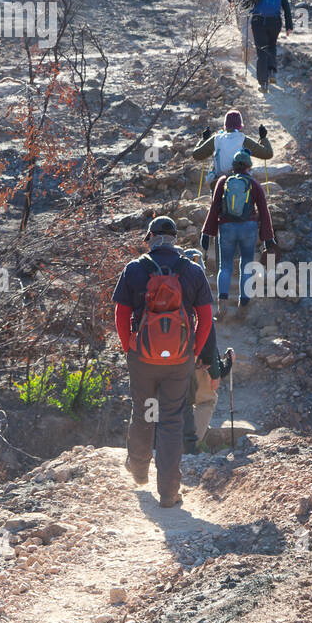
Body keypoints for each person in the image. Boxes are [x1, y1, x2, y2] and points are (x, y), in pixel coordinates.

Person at [112, 215, 214, 506]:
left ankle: (140, 470)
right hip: (179, 359)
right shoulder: (192, 270)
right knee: (171, 420)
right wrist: (193, 350)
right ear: (174, 240)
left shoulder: (135, 268)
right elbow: (205, 317)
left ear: (151, 238)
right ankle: (169, 492)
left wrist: (128, 345)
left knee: (144, 411)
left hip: (141, 356)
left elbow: (121, 314)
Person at [201, 150, 276, 317]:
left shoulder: (223, 181)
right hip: (248, 227)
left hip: (226, 228)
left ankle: (222, 305)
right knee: (246, 265)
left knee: (225, 267)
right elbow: (264, 211)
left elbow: (214, 209)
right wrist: (268, 238)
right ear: (248, 166)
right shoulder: (254, 184)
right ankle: (243, 304)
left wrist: (207, 233)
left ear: (233, 166)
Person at [179, 248, 234, 452]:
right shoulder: (199, 297)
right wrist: (217, 371)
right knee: (205, 402)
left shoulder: (169, 294)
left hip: (167, 363)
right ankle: (189, 447)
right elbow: (208, 342)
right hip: (197, 364)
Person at [243, 0, 293, 92]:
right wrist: (289, 26)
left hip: (258, 21)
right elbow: (286, 8)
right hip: (275, 22)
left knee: (261, 51)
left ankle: (263, 83)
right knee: (272, 46)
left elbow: (245, 4)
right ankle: (272, 72)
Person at [191, 109, 273, 183]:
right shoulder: (243, 140)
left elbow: (196, 155)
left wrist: (204, 140)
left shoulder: (216, 139)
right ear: (240, 125)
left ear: (225, 125)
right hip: (241, 182)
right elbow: (268, 154)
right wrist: (263, 138)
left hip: (220, 181)